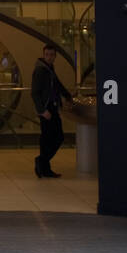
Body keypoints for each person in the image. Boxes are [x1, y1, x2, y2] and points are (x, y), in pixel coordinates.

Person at [31, 44, 73, 178]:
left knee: (47, 139)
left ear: (55, 56)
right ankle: (42, 161)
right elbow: (35, 93)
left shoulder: (49, 69)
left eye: (52, 55)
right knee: (57, 137)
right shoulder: (40, 70)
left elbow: (57, 84)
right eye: (47, 54)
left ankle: (44, 168)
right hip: (46, 109)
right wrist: (42, 110)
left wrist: (67, 96)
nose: (49, 57)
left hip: (52, 107)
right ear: (44, 55)